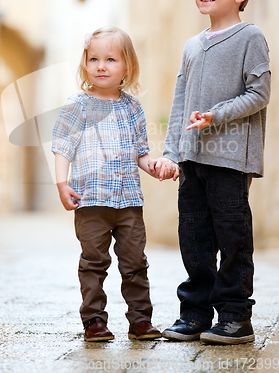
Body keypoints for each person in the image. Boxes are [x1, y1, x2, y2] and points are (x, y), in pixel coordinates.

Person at [149, 0, 271, 345]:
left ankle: (235, 316)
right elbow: (180, 102)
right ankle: (196, 314)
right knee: (195, 239)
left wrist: (216, 115)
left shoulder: (250, 37)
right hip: (192, 159)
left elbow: (259, 92)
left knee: (232, 237)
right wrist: (171, 153)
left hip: (231, 159)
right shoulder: (191, 45)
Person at [52, 26, 176, 342]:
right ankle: (94, 321)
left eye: (110, 59)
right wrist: (61, 184)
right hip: (91, 201)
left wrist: (157, 166)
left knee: (135, 263)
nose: (101, 66)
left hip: (129, 203)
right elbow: (62, 146)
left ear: (127, 66)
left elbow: (141, 154)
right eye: (94, 59)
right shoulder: (77, 106)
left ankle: (140, 321)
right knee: (94, 263)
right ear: (85, 64)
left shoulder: (132, 107)